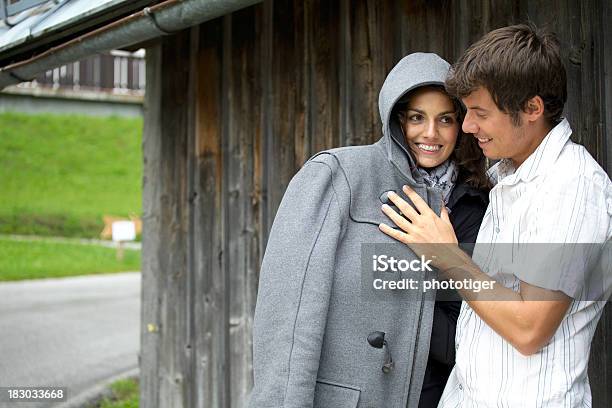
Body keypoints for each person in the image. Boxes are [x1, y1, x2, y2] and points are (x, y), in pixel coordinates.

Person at [379, 24, 612, 407]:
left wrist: (448, 257)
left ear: (532, 109)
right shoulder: (509, 178)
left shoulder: (572, 187)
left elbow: (528, 327)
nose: (469, 127)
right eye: (467, 113)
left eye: (480, 114)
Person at [249, 53, 489, 408]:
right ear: (396, 119)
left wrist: (437, 261)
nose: (430, 133)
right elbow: (290, 314)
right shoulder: (338, 176)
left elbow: (465, 338)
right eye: (416, 118)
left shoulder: (476, 206)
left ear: (461, 125)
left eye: (445, 119)